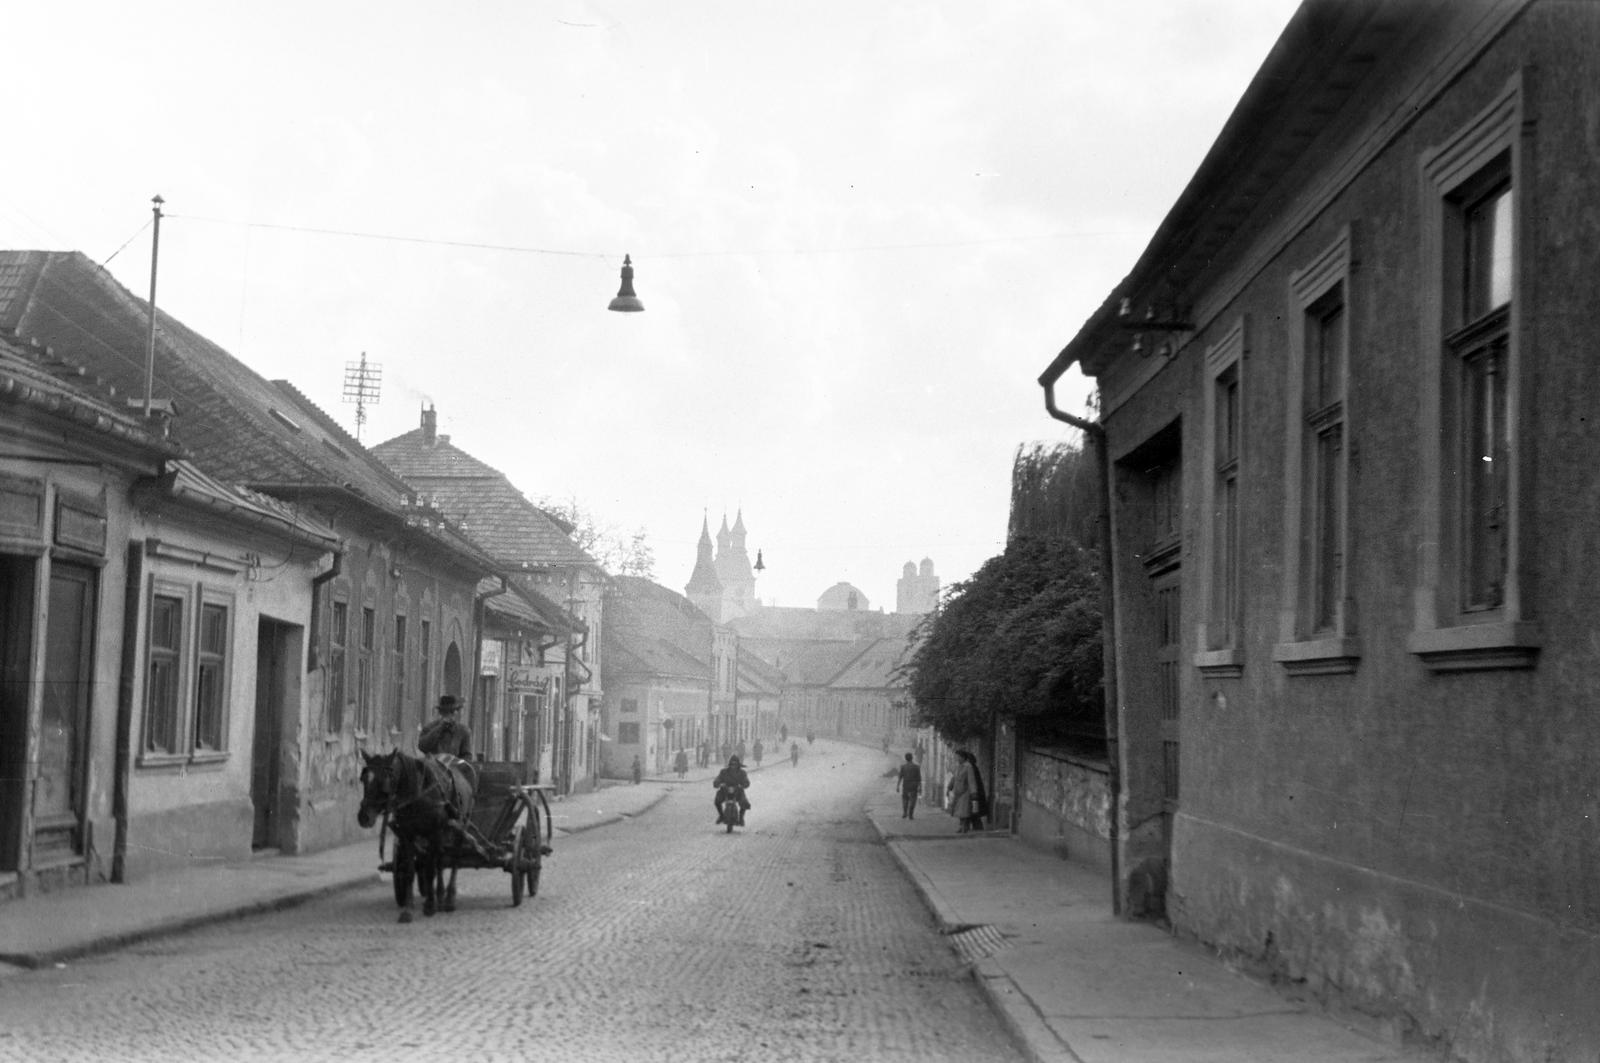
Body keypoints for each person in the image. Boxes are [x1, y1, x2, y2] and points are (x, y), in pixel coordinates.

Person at [417, 694, 471, 759]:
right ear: (440, 713)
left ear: (455, 713)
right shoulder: (429, 728)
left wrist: (458, 766)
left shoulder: (463, 731)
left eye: (451, 712)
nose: (449, 716)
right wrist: (439, 728)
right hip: (432, 766)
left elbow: (466, 755)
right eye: (445, 712)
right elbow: (422, 747)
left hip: (453, 767)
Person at [713, 755, 751, 825]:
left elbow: (746, 781)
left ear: (738, 765)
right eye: (731, 764)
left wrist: (742, 785)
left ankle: (741, 817)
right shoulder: (724, 772)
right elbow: (718, 778)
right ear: (729, 764)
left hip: (738, 791)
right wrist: (718, 783)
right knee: (717, 800)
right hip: (725, 790)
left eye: (735, 764)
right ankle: (721, 815)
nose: (733, 766)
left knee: (744, 802)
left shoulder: (742, 773)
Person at [947, 750, 979, 834]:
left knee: (964, 810)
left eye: (958, 757)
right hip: (958, 792)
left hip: (966, 792)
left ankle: (965, 827)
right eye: (956, 756)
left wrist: (974, 793)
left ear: (963, 757)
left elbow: (971, 781)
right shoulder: (958, 766)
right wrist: (949, 787)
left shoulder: (968, 767)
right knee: (959, 811)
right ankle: (962, 826)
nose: (956, 758)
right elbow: (954, 778)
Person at [895, 752, 922, 820]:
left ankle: (905, 812)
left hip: (905, 785)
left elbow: (900, 777)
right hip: (914, 786)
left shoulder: (903, 767)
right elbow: (919, 779)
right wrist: (920, 787)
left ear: (905, 759)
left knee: (905, 799)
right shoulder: (916, 767)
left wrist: (898, 786)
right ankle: (910, 814)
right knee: (913, 800)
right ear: (912, 758)